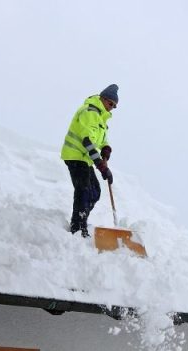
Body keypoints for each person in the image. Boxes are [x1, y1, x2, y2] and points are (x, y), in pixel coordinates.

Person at [61, 84, 118, 237]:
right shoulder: (89, 112)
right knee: (84, 191)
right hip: (75, 155)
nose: (112, 107)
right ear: (103, 98)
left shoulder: (100, 118)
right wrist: (101, 166)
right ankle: (78, 227)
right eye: (111, 103)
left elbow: (102, 140)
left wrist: (106, 150)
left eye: (114, 106)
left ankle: (81, 220)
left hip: (84, 159)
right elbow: (88, 141)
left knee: (95, 192)